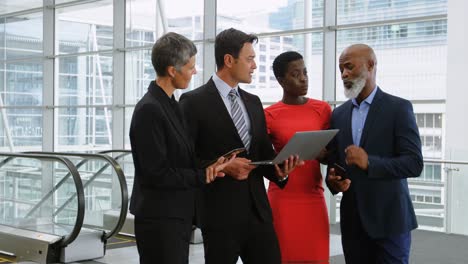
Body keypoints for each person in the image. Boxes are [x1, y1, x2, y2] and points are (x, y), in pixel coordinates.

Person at [179, 28, 302, 264]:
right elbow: (185, 159)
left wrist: (280, 170)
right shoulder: (193, 102)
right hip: (219, 214)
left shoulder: (253, 102)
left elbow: (263, 154)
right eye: (250, 58)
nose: (254, 65)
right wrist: (225, 167)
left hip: (258, 213)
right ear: (228, 60)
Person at [129, 32, 234, 264]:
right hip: (159, 218)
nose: (195, 72)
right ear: (172, 70)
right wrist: (202, 175)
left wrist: (212, 165)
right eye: (190, 67)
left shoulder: (171, 104)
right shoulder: (149, 109)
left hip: (175, 216)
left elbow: (181, 158)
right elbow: (156, 173)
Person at [326, 44, 423, 264]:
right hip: (353, 224)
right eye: (341, 69)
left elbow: (414, 163)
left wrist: (369, 162)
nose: (344, 74)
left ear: (371, 65)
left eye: (349, 67)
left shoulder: (398, 108)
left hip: (390, 221)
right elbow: (335, 166)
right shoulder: (338, 115)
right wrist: (333, 182)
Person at [264, 51, 331, 263]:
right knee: (284, 256)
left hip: (313, 195)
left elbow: (332, 156)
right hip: (283, 198)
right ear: (281, 80)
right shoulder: (269, 114)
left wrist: (323, 153)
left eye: (305, 72)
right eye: (295, 74)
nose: (303, 78)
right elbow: (264, 160)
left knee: (317, 257)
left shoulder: (322, 109)